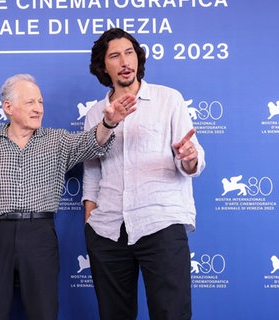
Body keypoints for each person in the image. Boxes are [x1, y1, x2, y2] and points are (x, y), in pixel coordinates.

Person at [0, 73, 137, 320]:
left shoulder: (57, 140)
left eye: (40, 102)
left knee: (44, 312)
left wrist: (108, 124)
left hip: (39, 234)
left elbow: (91, 143)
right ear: (8, 107)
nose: (38, 108)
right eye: (30, 102)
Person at [82, 28, 206, 320]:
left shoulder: (169, 100)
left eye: (129, 53)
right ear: (103, 66)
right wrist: (90, 225)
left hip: (160, 223)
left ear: (137, 58)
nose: (125, 61)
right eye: (115, 55)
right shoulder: (95, 113)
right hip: (108, 230)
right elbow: (91, 173)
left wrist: (188, 157)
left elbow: (192, 162)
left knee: (171, 313)